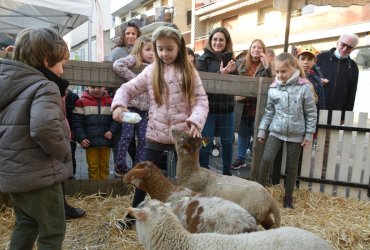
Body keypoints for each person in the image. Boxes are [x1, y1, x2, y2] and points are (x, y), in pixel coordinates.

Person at [112, 26, 209, 227]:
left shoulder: (189, 71)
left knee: (185, 179)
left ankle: (187, 218)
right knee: (145, 175)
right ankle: (133, 216)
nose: (164, 53)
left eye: (169, 49)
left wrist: (195, 120)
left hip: (183, 134)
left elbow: (201, 100)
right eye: (160, 49)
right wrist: (120, 105)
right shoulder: (151, 70)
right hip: (155, 133)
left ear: (179, 47)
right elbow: (128, 88)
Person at [0, 27, 73, 249]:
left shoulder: (8, 83)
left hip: (14, 175)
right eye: (61, 63)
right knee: (52, 231)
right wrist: (63, 151)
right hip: (39, 175)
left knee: (25, 223)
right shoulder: (45, 86)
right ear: (46, 59)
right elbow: (43, 127)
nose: (61, 71)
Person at [257, 52, 317, 209]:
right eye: (277, 71)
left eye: (283, 71)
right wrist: (262, 130)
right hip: (276, 131)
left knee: (292, 167)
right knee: (266, 159)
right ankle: (258, 192)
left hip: (296, 134)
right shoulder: (273, 88)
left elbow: (311, 113)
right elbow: (269, 111)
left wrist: (309, 134)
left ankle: (288, 197)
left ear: (293, 68)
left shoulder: (304, 87)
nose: (280, 75)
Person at [197, 27, 236, 175]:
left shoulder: (232, 58)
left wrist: (232, 72)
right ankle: (204, 173)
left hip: (227, 109)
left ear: (226, 42)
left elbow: (238, 82)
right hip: (209, 109)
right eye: (215, 39)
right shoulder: (203, 59)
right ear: (210, 41)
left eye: (221, 40)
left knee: (227, 143)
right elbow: (201, 83)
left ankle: (227, 174)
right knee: (205, 142)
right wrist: (221, 74)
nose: (218, 42)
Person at [112, 36, 154, 176]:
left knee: (143, 139)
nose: (151, 53)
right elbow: (117, 65)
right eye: (148, 50)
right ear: (140, 50)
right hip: (130, 107)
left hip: (145, 111)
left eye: (154, 50)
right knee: (127, 135)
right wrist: (137, 80)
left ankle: (138, 167)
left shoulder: (156, 67)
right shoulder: (134, 59)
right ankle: (120, 166)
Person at [231, 39, 273, 170]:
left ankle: (258, 160)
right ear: (250, 49)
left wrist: (268, 67)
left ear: (263, 51)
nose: (256, 50)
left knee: (258, 134)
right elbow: (232, 79)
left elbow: (273, 80)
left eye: (259, 48)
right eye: (254, 47)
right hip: (243, 106)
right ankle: (241, 159)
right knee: (243, 133)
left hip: (259, 106)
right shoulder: (240, 63)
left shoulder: (267, 65)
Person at [73, 86, 120, 180]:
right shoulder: (81, 102)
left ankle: (103, 190)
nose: (96, 89)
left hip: (106, 141)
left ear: (104, 87)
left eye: (99, 87)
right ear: (87, 87)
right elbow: (77, 122)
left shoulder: (111, 102)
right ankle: (94, 190)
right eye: (93, 87)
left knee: (105, 166)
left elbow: (116, 120)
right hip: (90, 141)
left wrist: (111, 131)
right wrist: (81, 138)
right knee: (93, 167)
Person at [316, 33, 359, 123]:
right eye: (343, 44)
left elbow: (352, 93)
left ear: (353, 49)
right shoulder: (320, 58)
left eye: (349, 47)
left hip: (335, 115)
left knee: (328, 137)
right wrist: (317, 80)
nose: (345, 49)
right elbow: (307, 78)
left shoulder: (353, 66)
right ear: (337, 43)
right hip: (315, 110)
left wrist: (345, 116)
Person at [65, 88, 80, 176]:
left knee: (71, 152)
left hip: (71, 130)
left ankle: (71, 173)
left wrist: (74, 131)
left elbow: (76, 116)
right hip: (58, 129)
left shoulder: (74, 97)